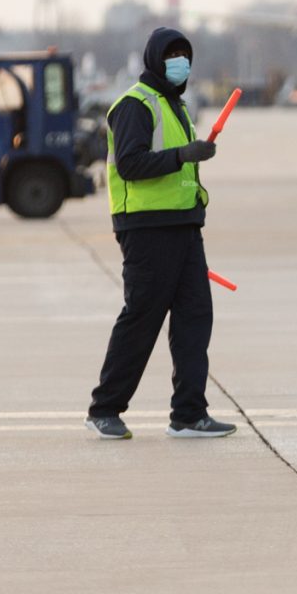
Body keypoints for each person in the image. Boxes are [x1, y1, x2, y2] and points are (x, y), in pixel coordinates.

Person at [85, 27, 237, 441]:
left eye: (184, 55)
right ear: (154, 59)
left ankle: (189, 414)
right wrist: (184, 155)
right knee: (142, 318)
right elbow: (132, 164)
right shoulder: (136, 105)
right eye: (172, 54)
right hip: (147, 228)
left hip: (185, 225)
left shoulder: (177, 107)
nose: (180, 62)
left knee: (195, 319)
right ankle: (104, 408)